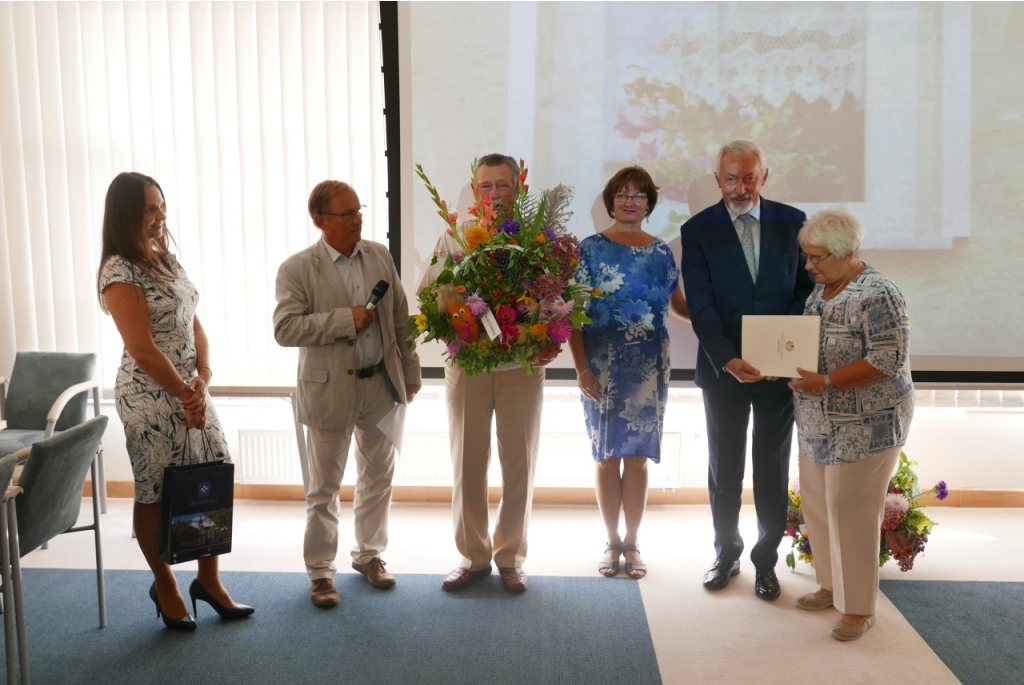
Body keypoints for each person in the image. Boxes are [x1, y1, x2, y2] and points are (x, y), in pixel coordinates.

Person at [98, 172, 253, 630]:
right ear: (127, 214)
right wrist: (185, 390)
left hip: (190, 390)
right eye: (149, 208)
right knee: (155, 489)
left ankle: (208, 580)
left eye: (161, 205)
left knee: (212, 475)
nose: (160, 215)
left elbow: (195, 327)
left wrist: (202, 379)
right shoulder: (117, 270)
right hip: (148, 394)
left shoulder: (167, 261)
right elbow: (143, 348)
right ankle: (163, 581)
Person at [274, 180, 421, 608]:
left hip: (381, 384)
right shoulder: (297, 269)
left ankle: (370, 555)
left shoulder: (379, 255)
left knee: (378, 478)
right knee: (324, 489)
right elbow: (285, 329)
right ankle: (321, 572)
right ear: (320, 221)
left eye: (360, 211)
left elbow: (399, 318)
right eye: (347, 214)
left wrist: (409, 371)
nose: (358, 220)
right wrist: (344, 320)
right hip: (329, 390)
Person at [680, 140, 814, 599]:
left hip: (778, 371)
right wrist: (726, 358)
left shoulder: (794, 223)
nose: (740, 187)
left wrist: (784, 349)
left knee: (772, 468)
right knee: (726, 467)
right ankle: (727, 551)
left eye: (749, 177)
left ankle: (765, 560)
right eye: (731, 178)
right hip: (724, 371)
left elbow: (804, 291)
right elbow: (701, 305)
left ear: (765, 176)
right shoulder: (698, 230)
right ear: (718, 180)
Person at [419, 154, 554, 594]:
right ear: (474, 192)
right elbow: (429, 294)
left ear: (518, 191)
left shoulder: (537, 244)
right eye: (486, 186)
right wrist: (455, 320)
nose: (494, 194)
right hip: (468, 367)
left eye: (503, 186)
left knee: (519, 463)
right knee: (467, 462)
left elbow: (554, 298)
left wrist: (546, 333)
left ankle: (511, 556)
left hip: (520, 370)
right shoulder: (454, 238)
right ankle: (473, 556)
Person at [788, 207, 914, 641]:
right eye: (807, 257)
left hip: (868, 424)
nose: (809, 265)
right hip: (817, 421)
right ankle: (829, 584)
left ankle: (858, 609)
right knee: (819, 508)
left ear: (848, 252)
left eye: (817, 257)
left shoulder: (878, 293)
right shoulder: (821, 289)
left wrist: (825, 382)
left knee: (854, 515)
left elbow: (886, 358)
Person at [568, 166, 689, 579]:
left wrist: (722, 318)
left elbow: (678, 306)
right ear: (611, 201)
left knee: (637, 459)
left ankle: (633, 543)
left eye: (639, 195)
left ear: (649, 203)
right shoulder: (589, 250)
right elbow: (572, 315)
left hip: (649, 368)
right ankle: (611, 541)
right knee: (606, 457)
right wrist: (582, 368)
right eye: (622, 194)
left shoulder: (661, 253)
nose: (630, 201)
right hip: (601, 365)